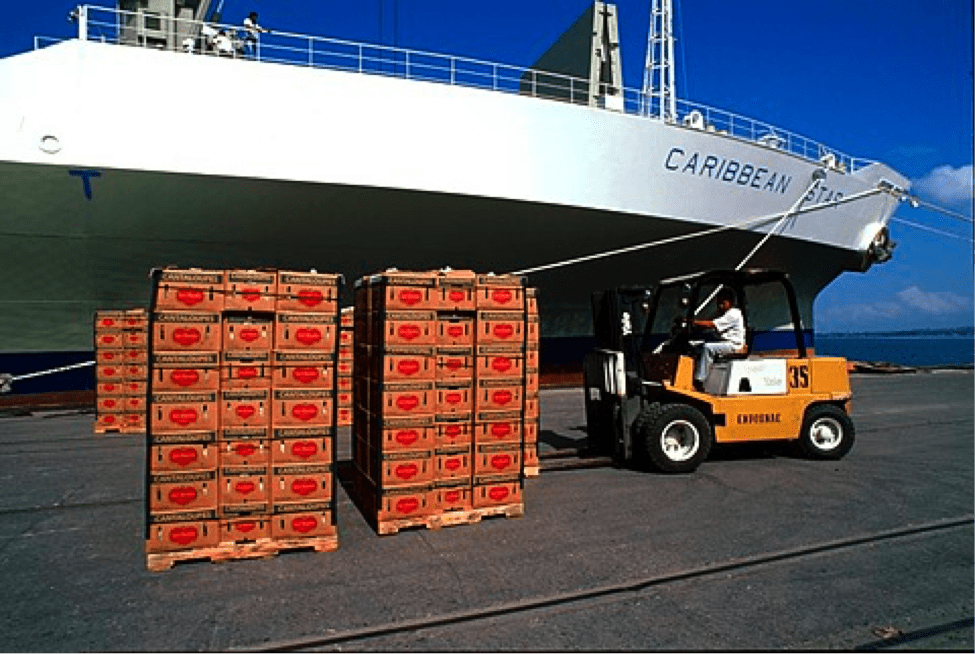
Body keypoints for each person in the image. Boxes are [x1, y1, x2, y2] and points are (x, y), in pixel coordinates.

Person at [690, 287, 746, 390]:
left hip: (733, 345)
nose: (720, 305)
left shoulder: (733, 313)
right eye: (718, 303)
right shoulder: (722, 313)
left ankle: (699, 380)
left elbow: (712, 324)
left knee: (707, 348)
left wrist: (692, 321)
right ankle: (691, 376)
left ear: (731, 302)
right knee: (694, 346)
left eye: (722, 303)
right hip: (724, 343)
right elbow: (708, 322)